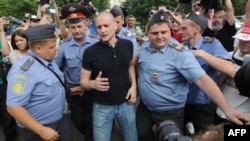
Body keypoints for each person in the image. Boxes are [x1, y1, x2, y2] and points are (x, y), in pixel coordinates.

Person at [136, 10, 250, 141]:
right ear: (148, 34)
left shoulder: (181, 53)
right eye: (155, 33)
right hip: (146, 108)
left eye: (164, 32)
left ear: (170, 31)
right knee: (142, 135)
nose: (160, 36)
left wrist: (227, 109)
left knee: (197, 136)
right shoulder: (144, 48)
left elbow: (203, 80)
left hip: (175, 111)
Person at [6, 24, 72, 141]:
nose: (56, 49)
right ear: (38, 49)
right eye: (52, 47)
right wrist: (41, 130)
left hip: (61, 120)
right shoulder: (23, 71)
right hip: (38, 129)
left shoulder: (49, 60)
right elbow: (13, 107)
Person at [80, 11, 138, 141]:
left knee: (132, 138)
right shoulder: (90, 52)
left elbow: (130, 66)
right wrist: (93, 84)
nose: (103, 30)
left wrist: (134, 86)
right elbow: (83, 81)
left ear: (115, 25)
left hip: (126, 104)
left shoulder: (127, 45)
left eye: (106, 26)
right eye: (99, 27)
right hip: (102, 107)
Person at [181, 11, 235, 133]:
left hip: (203, 106)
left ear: (196, 29)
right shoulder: (181, 48)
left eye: (184, 28)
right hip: (182, 104)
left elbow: (229, 69)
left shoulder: (212, 44)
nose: (180, 31)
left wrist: (201, 53)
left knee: (205, 136)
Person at [55, 3, 99, 141]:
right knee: (79, 121)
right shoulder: (64, 47)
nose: (77, 30)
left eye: (79, 26)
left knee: (93, 122)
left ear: (86, 24)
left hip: (94, 90)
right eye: (73, 27)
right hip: (75, 92)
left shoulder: (96, 43)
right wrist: (68, 88)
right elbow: (56, 71)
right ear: (69, 27)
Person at [216, 21, 250, 124]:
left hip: (242, 117)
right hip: (218, 112)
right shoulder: (226, 56)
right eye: (242, 38)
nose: (244, 42)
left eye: (248, 40)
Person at [0, 18, 18, 141]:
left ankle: (11, 137)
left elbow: (6, 52)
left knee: (7, 115)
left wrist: (1, 31)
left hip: (1, 84)